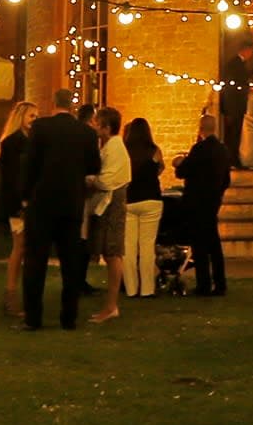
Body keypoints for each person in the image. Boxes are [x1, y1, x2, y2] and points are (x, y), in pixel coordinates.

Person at [19, 90, 101, 330]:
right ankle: (69, 317)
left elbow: (30, 163)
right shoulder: (85, 132)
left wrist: (25, 195)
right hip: (70, 203)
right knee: (70, 263)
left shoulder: (41, 128)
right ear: (72, 106)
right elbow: (94, 165)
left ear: (53, 103)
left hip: (42, 202)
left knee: (35, 262)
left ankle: (33, 318)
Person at [173, 112, 231, 296]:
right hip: (213, 201)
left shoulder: (199, 149)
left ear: (201, 129)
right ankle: (220, 283)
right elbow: (226, 180)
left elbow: (183, 171)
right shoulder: (223, 150)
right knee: (214, 244)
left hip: (197, 202)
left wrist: (180, 163)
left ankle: (204, 284)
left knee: (200, 245)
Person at [0, 99, 37, 314]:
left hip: (29, 200)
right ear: (21, 117)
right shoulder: (12, 143)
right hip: (17, 202)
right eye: (31, 116)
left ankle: (20, 294)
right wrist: (21, 200)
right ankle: (10, 295)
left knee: (25, 248)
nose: (34, 120)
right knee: (19, 247)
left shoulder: (32, 141)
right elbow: (12, 177)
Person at [89, 106, 128, 322]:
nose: (94, 126)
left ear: (107, 127)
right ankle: (109, 305)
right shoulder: (108, 146)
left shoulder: (115, 148)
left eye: (97, 123)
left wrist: (92, 180)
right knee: (108, 252)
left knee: (113, 253)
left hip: (113, 205)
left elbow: (107, 180)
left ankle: (111, 305)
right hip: (108, 204)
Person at [120, 116, 164, 299]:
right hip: (151, 199)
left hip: (130, 200)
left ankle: (131, 288)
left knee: (128, 247)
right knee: (147, 246)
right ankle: (147, 289)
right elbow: (160, 168)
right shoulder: (154, 150)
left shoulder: (125, 151)